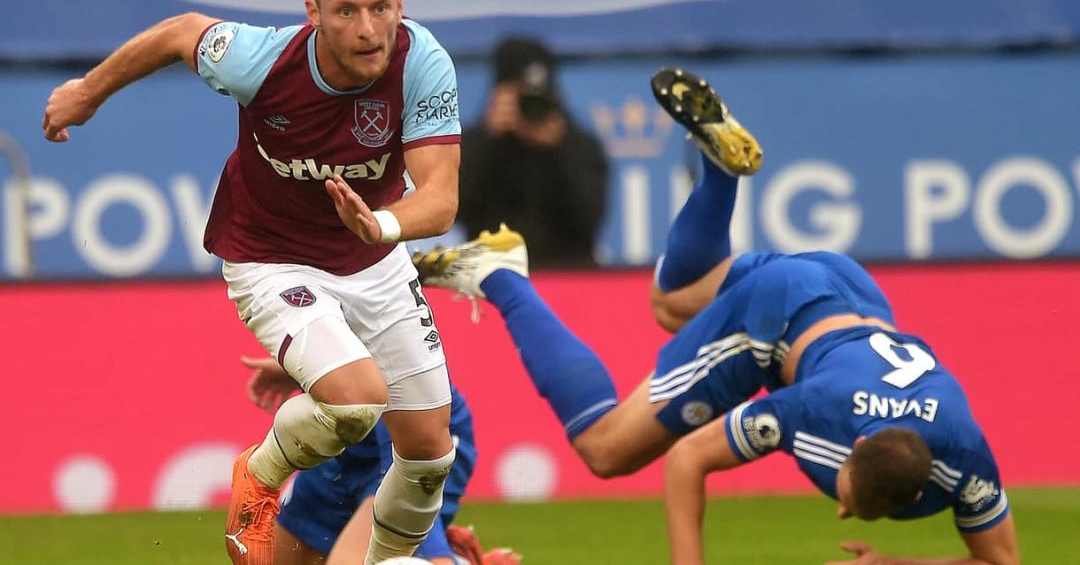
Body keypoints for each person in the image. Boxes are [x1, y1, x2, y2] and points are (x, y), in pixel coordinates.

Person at [413, 68, 1019, 564]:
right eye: (847, 496)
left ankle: (719, 173)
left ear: (920, 489)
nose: (839, 509)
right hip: (778, 325)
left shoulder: (965, 450)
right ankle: (502, 276)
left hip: (844, 285)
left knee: (672, 301)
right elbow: (689, 459)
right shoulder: (818, 417)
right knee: (607, 448)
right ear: (855, 445)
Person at [42, 0, 461, 563]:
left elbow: (441, 197)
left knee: (428, 458)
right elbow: (180, 31)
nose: (369, 29)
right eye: (346, 12)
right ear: (314, 15)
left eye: (381, 8)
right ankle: (261, 475)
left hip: (373, 254)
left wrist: (381, 225)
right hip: (272, 258)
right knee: (357, 402)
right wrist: (87, 92)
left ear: (400, 1)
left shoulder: (421, 62)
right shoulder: (259, 60)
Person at [239, 356, 520, 565]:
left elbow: (410, 477)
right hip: (347, 450)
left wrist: (434, 553)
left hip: (421, 442)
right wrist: (302, 367)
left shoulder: (389, 331)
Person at [458, 37, 608, 269]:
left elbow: (590, 220)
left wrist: (558, 149)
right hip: (493, 273)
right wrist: (488, 139)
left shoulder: (580, 145)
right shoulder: (477, 143)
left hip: (569, 274)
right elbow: (455, 210)